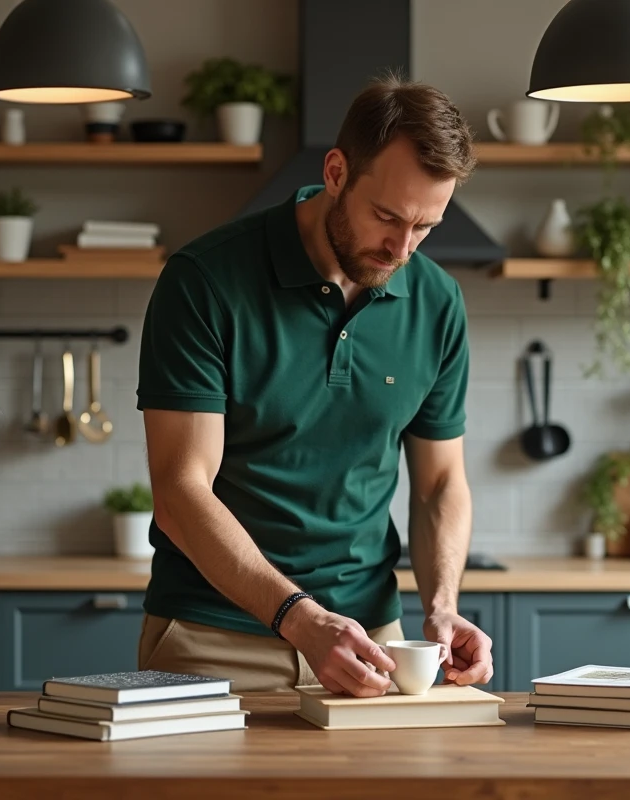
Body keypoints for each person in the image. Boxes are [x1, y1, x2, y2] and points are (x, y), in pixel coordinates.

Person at [134, 74, 492, 698]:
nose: (401, 248)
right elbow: (180, 490)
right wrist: (300, 618)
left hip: (372, 646)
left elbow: (439, 484)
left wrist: (440, 605)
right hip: (214, 640)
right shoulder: (205, 281)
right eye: (386, 216)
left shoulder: (437, 302)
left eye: (425, 226)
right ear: (335, 172)